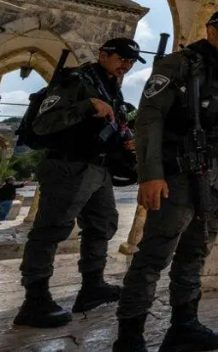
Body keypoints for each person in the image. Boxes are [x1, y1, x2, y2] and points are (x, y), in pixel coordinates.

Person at [114, 8, 218, 352]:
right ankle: (130, 337)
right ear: (211, 29)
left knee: (194, 255)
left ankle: (184, 327)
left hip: (212, 179)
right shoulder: (180, 64)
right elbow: (149, 120)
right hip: (176, 176)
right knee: (153, 256)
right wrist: (151, 175)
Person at [15, 38, 143, 328]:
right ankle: (35, 299)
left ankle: (92, 287)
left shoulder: (110, 87)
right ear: (103, 55)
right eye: (122, 58)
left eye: (131, 62)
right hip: (68, 165)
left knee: (103, 224)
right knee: (51, 230)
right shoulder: (75, 82)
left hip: (98, 168)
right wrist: (87, 105)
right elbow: (43, 124)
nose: (126, 65)